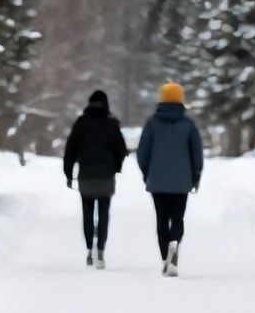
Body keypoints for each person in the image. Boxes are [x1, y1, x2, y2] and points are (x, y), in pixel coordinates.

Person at [136, 81, 203, 277]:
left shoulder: (152, 123)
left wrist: (147, 172)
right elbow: (196, 154)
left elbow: (142, 153)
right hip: (182, 181)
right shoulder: (188, 124)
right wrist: (195, 175)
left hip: (158, 180)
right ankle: (175, 246)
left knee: (161, 219)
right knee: (178, 218)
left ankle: (166, 257)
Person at [63, 89, 128, 269]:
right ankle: (101, 250)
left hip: (86, 175)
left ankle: (89, 249)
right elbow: (121, 150)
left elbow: (70, 150)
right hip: (106, 174)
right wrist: (117, 167)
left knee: (88, 213)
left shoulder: (81, 123)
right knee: (104, 213)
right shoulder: (111, 124)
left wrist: (68, 174)